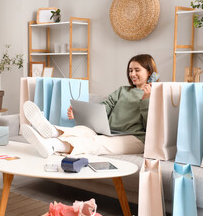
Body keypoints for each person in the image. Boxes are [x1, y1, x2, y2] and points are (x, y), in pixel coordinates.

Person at [21, 54, 158, 158]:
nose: (132, 74)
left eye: (137, 70)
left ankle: (53, 144)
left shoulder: (156, 95)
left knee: (96, 142)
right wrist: (80, 114)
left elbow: (151, 127)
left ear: (149, 73)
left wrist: (146, 100)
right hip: (111, 133)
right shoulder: (122, 90)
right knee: (82, 130)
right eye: (130, 70)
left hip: (136, 139)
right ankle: (52, 132)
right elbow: (103, 108)